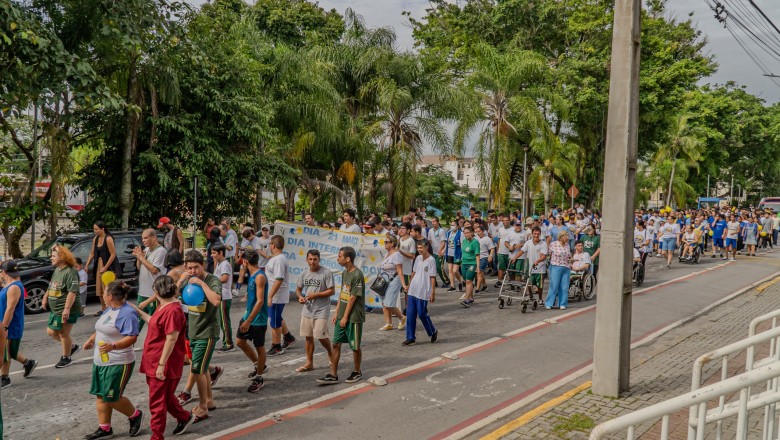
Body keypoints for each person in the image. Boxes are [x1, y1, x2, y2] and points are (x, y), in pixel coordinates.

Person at [134, 276, 195, 439]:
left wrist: (161, 364)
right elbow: (154, 322)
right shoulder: (163, 306)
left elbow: (172, 338)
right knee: (165, 398)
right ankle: (184, 417)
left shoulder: (173, 310)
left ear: (156, 291)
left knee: (157, 402)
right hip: (153, 359)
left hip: (163, 362)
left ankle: (157, 435)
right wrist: (138, 312)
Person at [82, 281, 143, 440]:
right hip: (101, 361)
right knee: (100, 395)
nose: (102, 295)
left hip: (119, 362)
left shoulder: (127, 313)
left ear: (109, 296)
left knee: (112, 397)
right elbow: (101, 329)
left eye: (104, 292)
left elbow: (132, 337)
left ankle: (135, 415)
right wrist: (91, 340)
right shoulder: (110, 309)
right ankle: (105, 428)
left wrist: (113, 346)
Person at [177, 250, 222, 422]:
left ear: (202, 265)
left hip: (207, 332)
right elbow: (172, 296)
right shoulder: (186, 279)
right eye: (190, 268)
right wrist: (182, 279)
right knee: (201, 369)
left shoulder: (212, 280)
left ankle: (203, 407)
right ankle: (209, 401)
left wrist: (202, 284)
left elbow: (216, 300)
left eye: (196, 267)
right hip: (193, 332)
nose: (193, 271)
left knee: (198, 369)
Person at [317, 247, 364, 385]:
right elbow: (343, 295)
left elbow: (352, 298)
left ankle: (357, 371)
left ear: (348, 258)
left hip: (354, 317)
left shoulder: (357, 275)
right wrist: (337, 312)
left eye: (340, 256)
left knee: (355, 346)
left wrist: (345, 317)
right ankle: (333, 374)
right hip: (342, 315)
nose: (338, 258)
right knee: (336, 344)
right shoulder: (345, 273)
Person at [294, 250, 335, 373]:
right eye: (310, 259)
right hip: (307, 309)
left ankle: (332, 355)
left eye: (315, 259)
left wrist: (316, 295)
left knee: (321, 336)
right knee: (308, 337)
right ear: (307, 260)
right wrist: (300, 297)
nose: (312, 262)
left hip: (321, 310)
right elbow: (298, 289)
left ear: (319, 260)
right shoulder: (304, 274)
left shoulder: (326, 273)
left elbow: (332, 291)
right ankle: (309, 363)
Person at [236, 249, 269, 393]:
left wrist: (248, 321)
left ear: (245, 262)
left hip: (257, 320)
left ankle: (259, 377)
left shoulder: (259, 277)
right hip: (248, 316)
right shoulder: (252, 275)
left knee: (259, 347)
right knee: (240, 341)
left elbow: (260, 301)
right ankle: (259, 365)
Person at [0, 260, 37, 388]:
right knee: (10, 351)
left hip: (11, 325)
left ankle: (5, 378)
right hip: (6, 324)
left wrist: (4, 327)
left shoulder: (14, 287)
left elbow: (10, 309)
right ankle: (28, 363)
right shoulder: (10, 284)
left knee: (7, 352)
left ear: (4, 272)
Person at [44, 244, 82, 368]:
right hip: (56, 310)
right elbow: (52, 285)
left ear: (62, 257)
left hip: (67, 309)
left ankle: (66, 357)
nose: (51, 258)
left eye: (54, 256)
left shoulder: (71, 272)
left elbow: (72, 292)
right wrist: (45, 297)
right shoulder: (57, 270)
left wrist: (67, 309)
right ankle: (72, 347)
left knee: (63, 333)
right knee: (51, 332)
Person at [402, 239, 438, 346]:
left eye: (421, 247)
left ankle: (433, 331)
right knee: (410, 314)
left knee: (422, 313)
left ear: (426, 247)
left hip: (423, 291)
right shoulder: (418, 258)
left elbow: (432, 277)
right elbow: (414, 272)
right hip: (413, 290)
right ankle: (410, 337)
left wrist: (432, 292)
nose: (419, 250)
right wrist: (408, 285)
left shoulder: (431, 260)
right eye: (418, 248)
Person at [266, 235, 296, 355]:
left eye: (270, 244)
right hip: (275, 294)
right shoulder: (277, 258)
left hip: (277, 295)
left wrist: (270, 296)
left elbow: (279, 279)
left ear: (273, 245)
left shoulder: (279, 260)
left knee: (274, 321)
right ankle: (288, 337)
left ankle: (276, 346)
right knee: (276, 317)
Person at [133, 228, 167, 331]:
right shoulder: (147, 250)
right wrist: (139, 258)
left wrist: (142, 258)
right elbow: (140, 267)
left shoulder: (161, 251)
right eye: (142, 238)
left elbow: (154, 270)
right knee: (137, 322)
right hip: (142, 292)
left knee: (154, 323)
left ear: (154, 238)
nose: (143, 240)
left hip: (153, 294)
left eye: (146, 238)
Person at [86, 221, 117, 315]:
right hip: (99, 265)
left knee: (108, 289)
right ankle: (103, 308)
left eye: (96, 229)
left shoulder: (108, 239)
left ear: (102, 229)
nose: (94, 231)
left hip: (108, 266)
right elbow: (92, 253)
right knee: (99, 289)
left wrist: (105, 267)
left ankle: (111, 308)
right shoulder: (95, 239)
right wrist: (87, 265)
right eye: (94, 229)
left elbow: (113, 254)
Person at [378, 236, 406, 331]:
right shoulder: (387, 254)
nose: (385, 243)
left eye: (386, 242)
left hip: (394, 280)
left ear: (392, 243)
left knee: (389, 303)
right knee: (384, 303)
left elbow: (400, 271)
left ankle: (402, 317)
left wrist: (404, 284)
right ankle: (388, 323)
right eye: (384, 241)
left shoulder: (397, 255)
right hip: (384, 280)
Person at [210, 244, 234, 352]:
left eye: (214, 253)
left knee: (224, 321)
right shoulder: (219, 263)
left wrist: (212, 281)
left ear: (221, 253)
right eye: (212, 253)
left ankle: (229, 344)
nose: (212, 255)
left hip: (224, 296)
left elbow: (224, 278)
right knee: (221, 321)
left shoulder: (225, 264)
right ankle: (225, 341)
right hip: (220, 296)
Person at [516, 227, 548, 303]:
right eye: (535, 234)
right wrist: (514, 258)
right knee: (529, 283)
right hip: (530, 267)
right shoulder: (528, 243)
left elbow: (544, 256)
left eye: (538, 234)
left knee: (539, 285)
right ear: (532, 234)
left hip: (540, 268)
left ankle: (540, 299)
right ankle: (531, 297)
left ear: (540, 234)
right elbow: (522, 251)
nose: (536, 235)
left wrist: (538, 260)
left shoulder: (543, 244)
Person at [545, 232, 572, 310]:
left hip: (566, 267)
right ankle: (549, 303)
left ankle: (562, 303)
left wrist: (572, 260)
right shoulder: (553, 244)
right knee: (554, 285)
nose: (567, 237)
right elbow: (548, 254)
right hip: (556, 266)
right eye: (566, 236)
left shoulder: (567, 245)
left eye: (568, 236)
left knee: (564, 287)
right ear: (561, 236)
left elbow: (569, 256)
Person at [459, 227, 480, 307]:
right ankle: (471, 298)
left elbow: (477, 255)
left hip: (472, 263)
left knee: (468, 281)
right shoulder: (463, 241)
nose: (466, 234)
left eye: (468, 232)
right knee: (467, 281)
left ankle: (466, 299)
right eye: (465, 233)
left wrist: (478, 266)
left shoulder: (475, 242)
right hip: (464, 263)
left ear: (472, 233)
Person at [427, 217, 450, 289]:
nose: (433, 223)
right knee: (431, 268)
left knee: (439, 267)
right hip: (433, 251)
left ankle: (446, 281)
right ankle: (434, 282)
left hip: (440, 252)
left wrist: (440, 250)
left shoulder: (441, 231)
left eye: (434, 221)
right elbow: (430, 240)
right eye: (432, 222)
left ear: (437, 222)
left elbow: (443, 242)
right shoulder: (430, 230)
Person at [445, 220, 464, 292]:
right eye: (451, 225)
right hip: (449, 253)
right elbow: (447, 243)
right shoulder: (449, 233)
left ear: (457, 226)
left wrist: (462, 254)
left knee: (455, 270)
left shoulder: (460, 233)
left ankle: (460, 281)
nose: (452, 226)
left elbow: (462, 244)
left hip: (457, 253)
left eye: (454, 225)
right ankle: (452, 285)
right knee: (450, 270)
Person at [475, 225, 494, 293]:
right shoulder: (475, 238)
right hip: (476, 257)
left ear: (483, 231)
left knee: (479, 272)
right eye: (476, 231)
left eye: (479, 231)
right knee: (480, 273)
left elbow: (492, 248)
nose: (478, 233)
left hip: (484, 257)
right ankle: (484, 285)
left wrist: (491, 256)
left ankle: (477, 288)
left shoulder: (487, 239)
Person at [495, 215, 513, 287]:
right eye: (504, 220)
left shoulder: (513, 229)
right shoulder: (500, 229)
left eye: (507, 220)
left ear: (509, 221)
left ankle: (511, 281)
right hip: (501, 252)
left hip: (510, 253)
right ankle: (499, 281)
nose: (505, 222)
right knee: (501, 267)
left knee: (510, 268)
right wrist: (498, 249)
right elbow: (499, 240)